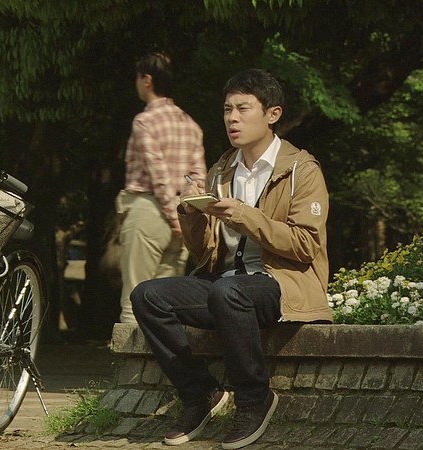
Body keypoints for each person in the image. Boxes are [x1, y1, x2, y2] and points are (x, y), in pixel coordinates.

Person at [131, 68, 332, 449]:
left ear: (272, 114)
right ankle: (200, 394)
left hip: (279, 284)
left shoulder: (301, 170)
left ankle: (254, 399)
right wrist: (190, 212)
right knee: (147, 296)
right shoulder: (222, 170)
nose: (232, 119)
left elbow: (305, 245)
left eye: (243, 109)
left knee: (229, 292)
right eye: (227, 110)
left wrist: (243, 214)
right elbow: (205, 252)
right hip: (224, 286)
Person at [117, 52, 207, 324]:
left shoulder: (145, 122)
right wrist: (185, 218)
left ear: (147, 80)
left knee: (134, 301)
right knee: (164, 307)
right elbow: (198, 179)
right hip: (183, 216)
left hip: (149, 212)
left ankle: (129, 354)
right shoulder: (190, 124)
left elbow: (158, 176)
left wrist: (172, 217)